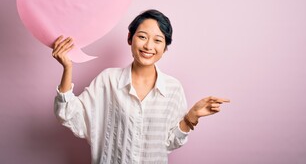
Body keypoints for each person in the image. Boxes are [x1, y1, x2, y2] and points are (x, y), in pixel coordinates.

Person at [53, 9, 230, 164]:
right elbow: (69, 115)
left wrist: (190, 118)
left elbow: (169, 143)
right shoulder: (108, 80)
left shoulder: (173, 88)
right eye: (142, 37)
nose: (148, 46)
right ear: (130, 38)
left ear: (165, 47)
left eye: (158, 40)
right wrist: (68, 68)